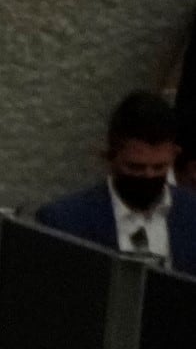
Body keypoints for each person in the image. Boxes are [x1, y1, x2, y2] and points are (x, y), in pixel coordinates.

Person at [38, 93, 186, 266]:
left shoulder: (190, 216)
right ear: (109, 158)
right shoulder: (63, 223)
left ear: (174, 155)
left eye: (159, 167)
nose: (149, 176)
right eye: (135, 167)